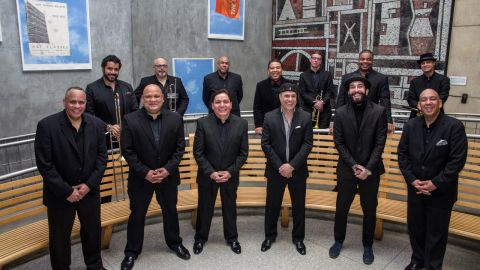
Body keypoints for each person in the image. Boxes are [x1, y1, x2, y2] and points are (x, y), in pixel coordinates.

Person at [34, 87, 107, 270]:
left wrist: (89, 185)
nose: (77, 106)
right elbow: (45, 165)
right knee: (59, 238)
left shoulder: (97, 125)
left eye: (81, 102)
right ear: (64, 102)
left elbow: (101, 158)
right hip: (60, 195)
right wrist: (67, 191)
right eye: (72, 101)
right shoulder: (46, 126)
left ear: (85, 103)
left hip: (88, 192)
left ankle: (95, 265)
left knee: (92, 232)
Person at [120, 84, 190, 270]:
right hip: (140, 178)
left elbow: (179, 148)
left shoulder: (175, 118)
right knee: (137, 215)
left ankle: (175, 243)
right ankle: (131, 252)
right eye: (148, 96)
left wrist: (167, 170)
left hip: (168, 177)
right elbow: (127, 150)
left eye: (156, 96)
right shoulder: (129, 119)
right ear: (142, 98)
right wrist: (145, 172)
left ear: (163, 98)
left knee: (170, 211)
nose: (152, 100)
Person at [398, 89, 467, 270]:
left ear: (440, 103)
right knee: (416, 229)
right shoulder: (411, 125)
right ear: (419, 105)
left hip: (441, 192)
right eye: (423, 100)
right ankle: (417, 261)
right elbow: (402, 155)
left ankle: (432, 266)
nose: (428, 103)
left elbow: (456, 161)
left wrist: (435, 183)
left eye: (432, 99)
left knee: (436, 234)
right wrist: (412, 180)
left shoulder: (454, 126)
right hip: (416, 189)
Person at [329, 76, 388, 265]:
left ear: (367, 90)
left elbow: (380, 143)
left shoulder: (379, 112)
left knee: (369, 209)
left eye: (360, 86)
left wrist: (368, 168)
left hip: (371, 171)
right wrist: (354, 165)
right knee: (342, 207)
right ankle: (338, 240)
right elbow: (338, 142)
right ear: (347, 91)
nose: (356, 90)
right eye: (352, 87)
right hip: (347, 169)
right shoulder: (340, 112)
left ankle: (368, 245)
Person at [192, 90, 248, 255]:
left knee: (230, 208)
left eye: (225, 101)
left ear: (231, 104)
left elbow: (243, 153)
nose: (222, 105)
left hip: (230, 176)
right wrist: (211, 172)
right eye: (218, 102)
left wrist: (230, 172)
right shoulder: (202, 123)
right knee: (205, 208)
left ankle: (232, 238)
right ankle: (200, 239)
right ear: (212, 105)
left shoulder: (241, 124)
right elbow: (198, 153)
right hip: (208, 176)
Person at [260, 83, 313, 255]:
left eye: (293, 96)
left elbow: (307, 144)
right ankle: (269, 236)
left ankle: (298, 239)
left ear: (297, 98)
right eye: (286, 96)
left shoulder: (305, 116)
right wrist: (280, 166)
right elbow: (266, 144)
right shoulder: (269, 117)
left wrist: (292, 165)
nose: (290, 99)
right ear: (280, 98)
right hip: (276, 170)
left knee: (299, 206)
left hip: (297, 169)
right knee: (272, 205)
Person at [336, 50, 394, 133]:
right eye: (362, 59)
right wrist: (336, 121)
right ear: (358, 60)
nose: (365, 61)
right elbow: (341, 99)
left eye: (368, 59)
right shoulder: (347, 78)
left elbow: (385, 100)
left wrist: (388, 120)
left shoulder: (381, 78)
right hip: (349, 118)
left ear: (372, 61)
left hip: (371, 119)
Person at [86, 54, 138, 146]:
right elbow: (89, 114)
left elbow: (135, 111)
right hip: (103, 138)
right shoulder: (92, 88)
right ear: (103, 68)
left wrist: (126, 127)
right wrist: (108, 127)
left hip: (127, 136)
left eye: (116, 69)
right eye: (110, 69)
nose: (113, 72)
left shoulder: (127, 87)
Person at [253, 59, 291, 134]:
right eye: (272, 68)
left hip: (287, 124)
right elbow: (257, 107)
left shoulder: (290, 84)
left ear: (281, 70)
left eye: (278, 67)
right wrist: (258, 125)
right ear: (268, 71)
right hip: (267, 126)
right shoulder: (261, 85)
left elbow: (296, 105)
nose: (275, 70)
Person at [299, 51, 335, 129]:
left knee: (322, 135)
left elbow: (330, 91)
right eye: (314, 58)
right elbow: (302, 93)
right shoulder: (303, 76)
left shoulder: (327, 74)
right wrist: (314, 102)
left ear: (321, 61)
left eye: (318, 59)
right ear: (310, 60)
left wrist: (322, 102)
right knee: (307, 135)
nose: (316, 60)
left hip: (324, 111)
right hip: (308, 110)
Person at [407, 53, 450, 119]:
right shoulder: (415, 82)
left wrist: (427, 106)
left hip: (436, 116)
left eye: (428, 62)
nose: (425, 65)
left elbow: (442, 97)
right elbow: (410, 99)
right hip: (417, 116)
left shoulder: (443, 80)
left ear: (434, 63)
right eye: (423, 63)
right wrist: (418, 105)